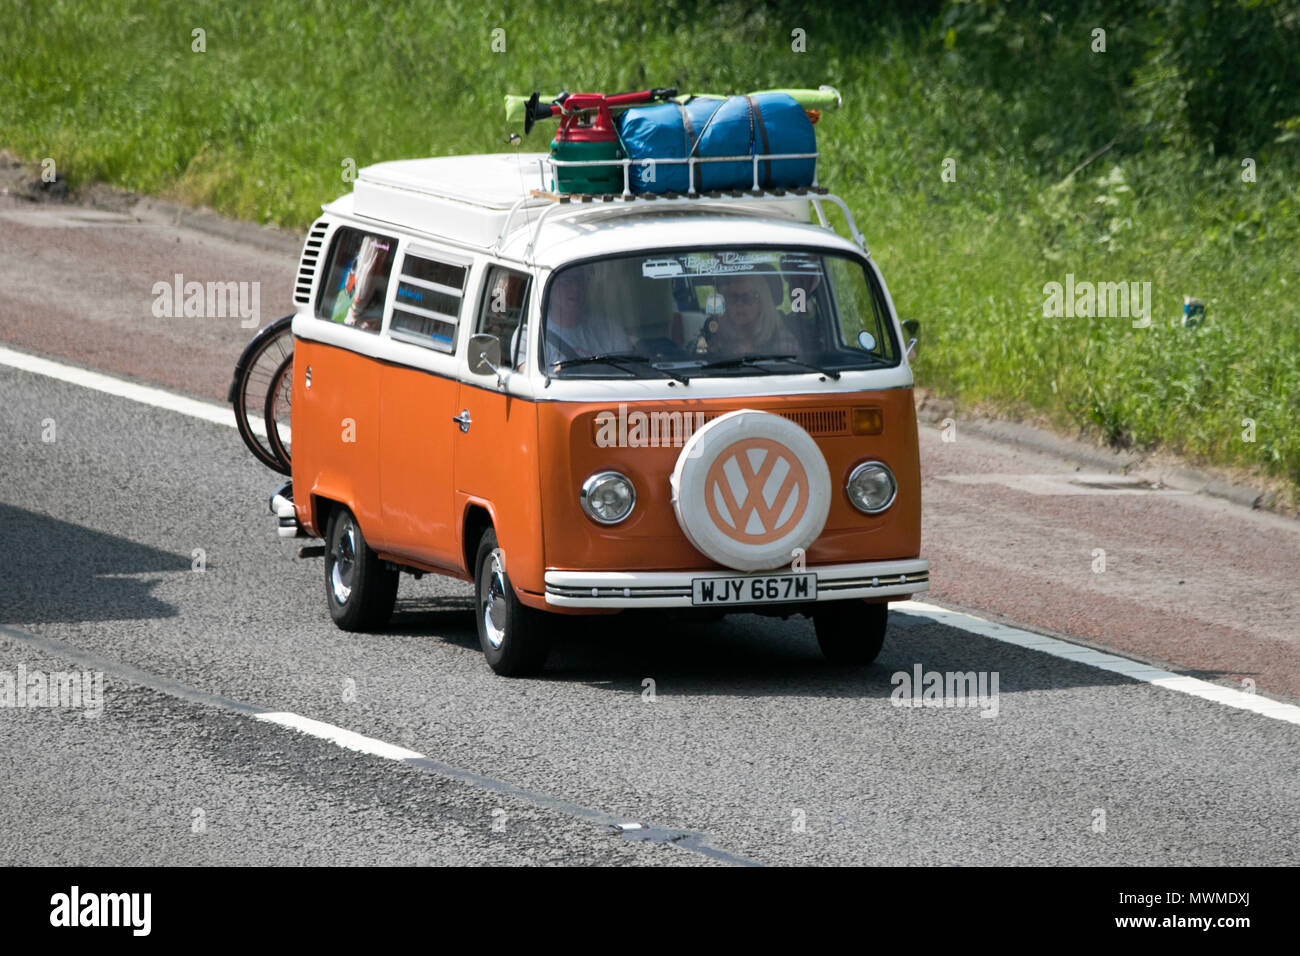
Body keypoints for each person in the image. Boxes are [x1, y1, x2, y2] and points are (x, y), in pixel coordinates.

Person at [544, 269, 635, 367]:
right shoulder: (535, 335)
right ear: (549, 288)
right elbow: (526, 369)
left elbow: (630, 367)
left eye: (580, 280)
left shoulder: (609, 331)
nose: (576, 288)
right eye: (566, 281)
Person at [706, 272, 798, 356]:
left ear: (762, 302)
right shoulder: (718, 338)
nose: (739, 304)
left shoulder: (782, 339)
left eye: (747, 297)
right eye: (733, 297)